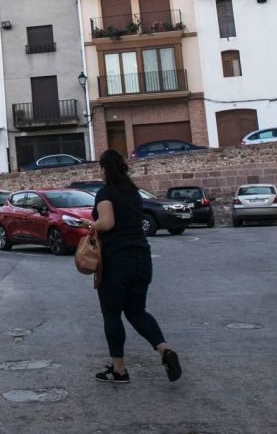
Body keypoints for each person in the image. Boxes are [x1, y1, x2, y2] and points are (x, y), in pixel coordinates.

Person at [86, 149, 181, 384]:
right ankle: (164, 350)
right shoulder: (134, 193)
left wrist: (92, 224)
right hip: (142, 258)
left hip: (117, 262)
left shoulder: (105, 193)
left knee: (112, 314)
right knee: (137, 311)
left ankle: (119, 370)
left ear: (104, 169)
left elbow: (107, 223)